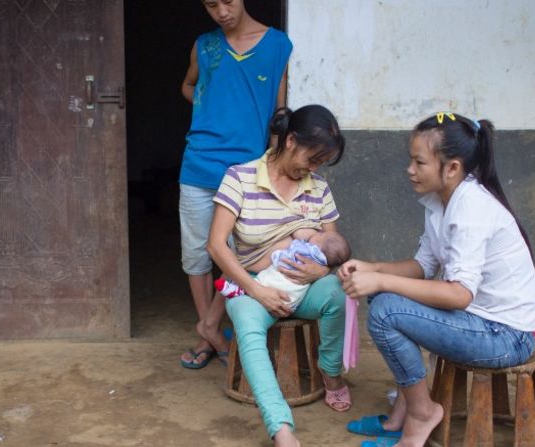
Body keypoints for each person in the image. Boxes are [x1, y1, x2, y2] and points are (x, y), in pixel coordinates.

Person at [340, 112, 535, 447]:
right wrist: (372, 269)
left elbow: (460, 294)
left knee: (386, 309)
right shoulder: (440, 201)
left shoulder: (471, 208)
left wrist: (382, 282)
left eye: (419, 162)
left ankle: (421, 413)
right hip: (479, 322)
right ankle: (401, 416)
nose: (410, 169)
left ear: (452, 168)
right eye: (411, 160)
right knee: (382, 299)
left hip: (507, 335)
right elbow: (422, 266)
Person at [208, 105, 351, 447]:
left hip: (305, 289)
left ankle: (330, 371)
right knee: (246, 322)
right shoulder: (240, 177)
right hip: (254, 287)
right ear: (290, 141)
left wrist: (322, 270)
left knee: (340, 292)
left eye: (321, 162)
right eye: (312, 158)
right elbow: (216, 246)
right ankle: (281, 428)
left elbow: (332, 244)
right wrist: (256, 291)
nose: (314, 168)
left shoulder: (318, 188)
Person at [179, 0, 292, 369]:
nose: (221, 12)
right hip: (198, 162)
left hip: (246, 168)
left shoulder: (277, 45)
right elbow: (188, 85)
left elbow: (279, 112)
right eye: (211, 5)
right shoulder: (204, 44)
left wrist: (274, 165)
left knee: (238, 253)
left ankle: (210, 324)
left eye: (228, 1)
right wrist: (212, 107)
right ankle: (208, 335)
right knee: (197, 254)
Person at [215, 229, 351, 310]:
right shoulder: (324, 256)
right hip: (294, 297)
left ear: (318, 247)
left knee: (263, 281)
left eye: (320, 233)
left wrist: (280, 251)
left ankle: (239, 291)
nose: (318, 232)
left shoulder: (308, 249)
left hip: (279, 280)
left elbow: (289, 251)